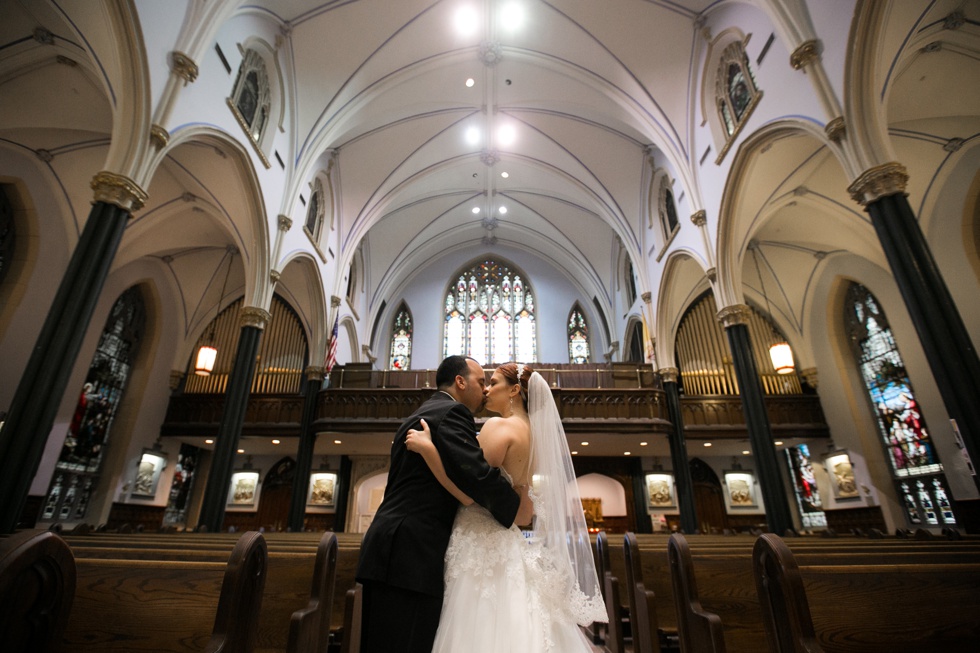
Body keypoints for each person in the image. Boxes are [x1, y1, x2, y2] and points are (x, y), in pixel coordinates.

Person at [405, 363, 606, 652]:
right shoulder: (533, 435)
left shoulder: (499, 426)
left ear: (514, 390)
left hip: (479, 539)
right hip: (504, 536)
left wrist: (429, 450)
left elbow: (467, 489)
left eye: (494, 383)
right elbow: (524, 511)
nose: (486, 389)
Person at [355, 355, 520, 653]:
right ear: (460, 382)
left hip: (394, 549)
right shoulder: (451, 412)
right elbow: (477, 475)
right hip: (410, 553)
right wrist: (517, 504)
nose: (484, 390)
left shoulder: (425, 411)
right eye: (481, 382)